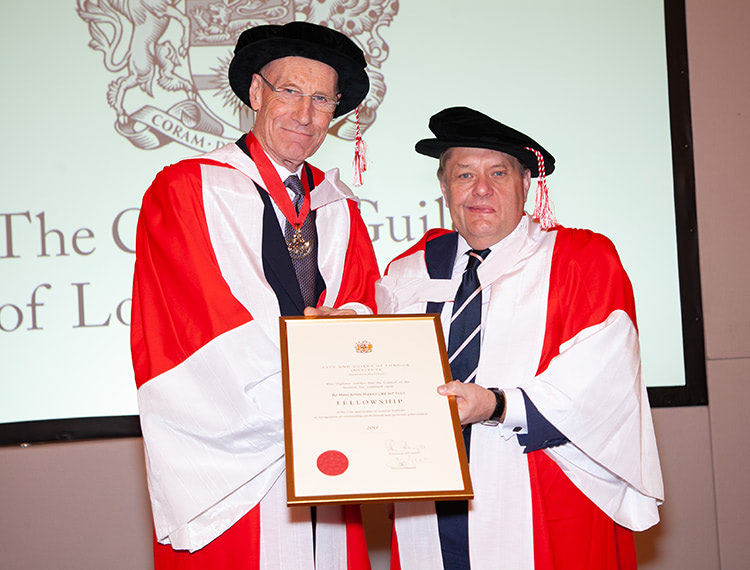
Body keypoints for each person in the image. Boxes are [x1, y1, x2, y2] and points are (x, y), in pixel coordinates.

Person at [130, 22, 380, 569]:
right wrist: (313, 383)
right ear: (256, 93)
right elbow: (203, 323)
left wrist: (350, 337)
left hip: (328, 447)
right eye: (289, 91)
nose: (305, 113)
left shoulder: (338, 206)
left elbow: (366, 301)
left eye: (321, 99)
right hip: (238, 454)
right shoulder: (188, 188)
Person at [376, 106, 664, 569]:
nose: (481, 189)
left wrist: (496, 403)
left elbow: (602, 384)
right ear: (444, 188)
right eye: (464, 174)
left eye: (498, 172)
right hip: (426, 502)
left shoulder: (581, 261)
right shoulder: (408, 271)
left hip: (544, 496)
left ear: (525, 183)